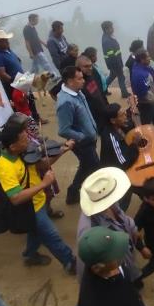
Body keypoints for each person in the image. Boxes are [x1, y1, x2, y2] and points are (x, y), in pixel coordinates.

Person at [0, 121, 77, 271]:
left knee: (35, 232)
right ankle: (70, 262)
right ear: (12, 146)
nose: (29, 140)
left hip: (39, 201)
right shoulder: (5, 167)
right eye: (24, 139)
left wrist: (63, 150)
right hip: (31, 208)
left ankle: (30, 255)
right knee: (53, 236)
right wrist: (44, 184)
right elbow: (16, 198)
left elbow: (42, 165)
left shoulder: (22, 152)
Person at [77, 227, 152, 306]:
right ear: (97, 267)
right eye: (114, 253)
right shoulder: (91, 305)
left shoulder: (114, 263)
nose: (121, 251)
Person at [76, 168, 150, 287]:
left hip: (127, 259)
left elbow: (124, 219)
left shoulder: (110, 203)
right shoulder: (88, 231)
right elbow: (84, 267)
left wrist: (137, 240)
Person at [56, 66, 100, 205]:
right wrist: (81, 136)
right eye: (79, 78)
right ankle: (86, 193)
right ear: (70, 81)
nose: (83, 81)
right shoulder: (65, 102)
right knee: (94, 167)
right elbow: (63, 130)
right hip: (82, 143)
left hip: (89, 139)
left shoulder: (78, 92)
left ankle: (73, 193)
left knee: (86, 166)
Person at [99, 103, 141, 211]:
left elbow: (130, 126)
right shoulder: (111, 137)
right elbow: (123, 161)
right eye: (122, 115)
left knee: (142, 185)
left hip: (122, 165)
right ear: (113, 120)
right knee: (127, 192)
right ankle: (117, 217)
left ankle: (152, 199)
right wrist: (134, 145)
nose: (125, 116)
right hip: (116, 173)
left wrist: (132, 111)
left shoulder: (118, 126)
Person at [131, 49, 154, 130]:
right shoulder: (141, 75)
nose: (150, 58)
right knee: (147, 124)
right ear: (142, 59)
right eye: (148, 57)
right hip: (146, 104)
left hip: (149, 102)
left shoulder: (137, 67)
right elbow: (145, 93)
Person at [77, 55, 109, 131]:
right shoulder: (75, 82)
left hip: (102, 114)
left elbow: (99, 93)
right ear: (78, 67)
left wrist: (107, 106)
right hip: (92, 119)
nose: (90, 68)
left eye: (91, 66)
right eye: (86, 66)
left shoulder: (92, 74)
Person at [101, 20, 130, 98]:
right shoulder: (107, 40)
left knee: (112, 76)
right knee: (121, 77)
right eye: (111, 28)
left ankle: (102, 90)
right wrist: (118, 64)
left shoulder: (108, 37)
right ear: (106, 29)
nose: (113, 29)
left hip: (114, 63)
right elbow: (111, 55)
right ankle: (124, 93)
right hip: (115, 63)